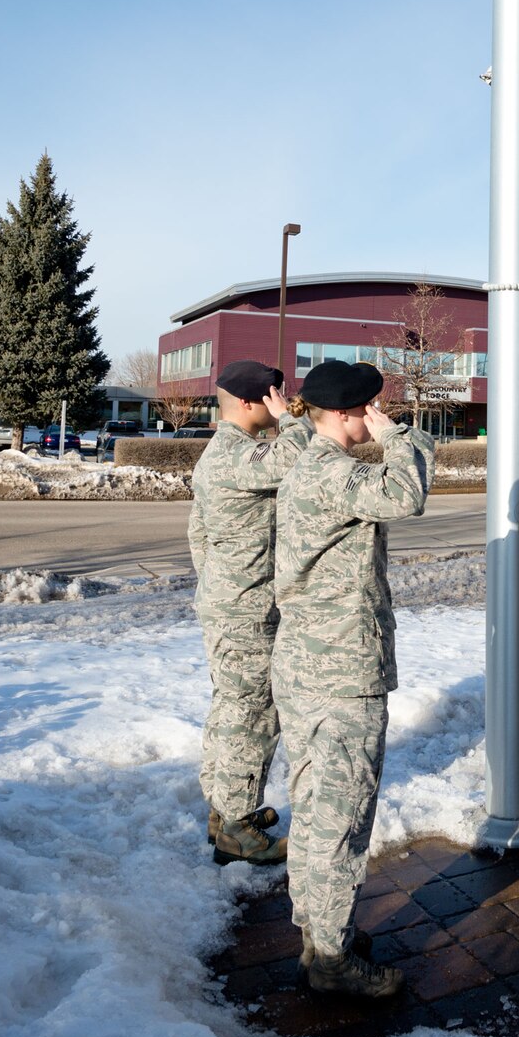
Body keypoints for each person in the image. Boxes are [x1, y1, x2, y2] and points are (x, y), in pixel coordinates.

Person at [274, 359, 434, 998]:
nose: (378, 413)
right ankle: (331, 959)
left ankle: (320, 930)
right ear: (347, 413)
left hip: (310, 663)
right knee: (341, 813)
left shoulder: (312, 465)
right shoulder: (333, 471)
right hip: (339, 671)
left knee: (315, 806)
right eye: (371, 406)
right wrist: (400, 437)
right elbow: (408, 494)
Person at [188, 359, 309, 865]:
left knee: (231, 707)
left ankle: (224, 808)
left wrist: (220, 582)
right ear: (247, 402)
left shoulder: (224, 454)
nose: (282, 403)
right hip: (246, 611)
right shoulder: (237, 457)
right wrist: (295, 421)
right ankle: (237, 825)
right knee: (252, 714)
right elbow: (299, 456)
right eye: (274, 397)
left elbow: (198, 534)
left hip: (231, 603)